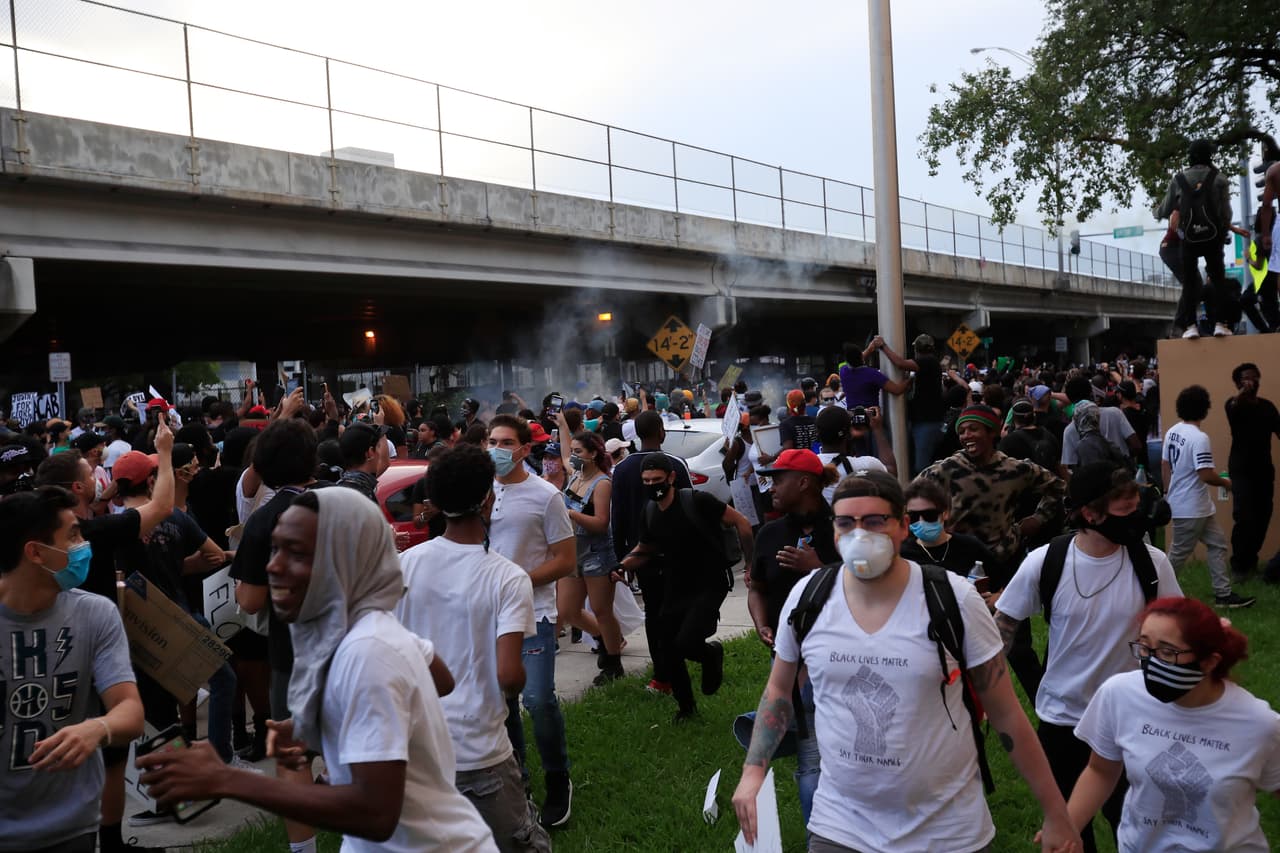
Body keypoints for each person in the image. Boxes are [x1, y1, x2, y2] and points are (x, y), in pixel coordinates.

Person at [731, 470, 1079, 853]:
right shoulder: (808, 597)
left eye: (875, 521)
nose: (859, 534)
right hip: (841, 827)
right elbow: (781, 688)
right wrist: (753, 771)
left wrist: (1056, 811)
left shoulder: (953, 600)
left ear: (903, 527)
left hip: (946, 832)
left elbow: (1007, 714)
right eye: (846, 522)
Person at [137, 488, 498, 852]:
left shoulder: (368, 651)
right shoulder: (364, 626)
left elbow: (376, 813)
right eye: (275, 548)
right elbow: (441, 678)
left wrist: (225, 779)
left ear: (347, 561)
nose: (272, 566)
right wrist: (329, 720)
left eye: (297, 553)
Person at [994, 462, 1183, 853]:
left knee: (1133, 824)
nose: (1136, 519)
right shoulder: (1046, 562)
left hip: (1133, 721)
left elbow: (1181, 633)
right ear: (1090, 514)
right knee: (1068, 830)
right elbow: (1004, 626)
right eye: (1126, 511)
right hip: (1062, 720)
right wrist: (983, 690)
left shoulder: (1152, 564)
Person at [396, 446, 550, 853]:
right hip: (481, 754)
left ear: (434, 503)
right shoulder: (508, 578)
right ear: (488, 499)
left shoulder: (405, 565)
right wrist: (519, 674)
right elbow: (508, 676)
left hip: (418, 753)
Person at [1067, 597, 1280, 851]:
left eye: (1168, 652)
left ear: (1209, 662)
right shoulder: (1120, 695)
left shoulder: (1259, 724)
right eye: (1145, 647)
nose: (1152, 662)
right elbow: (1100, 770)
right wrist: (1067, 828)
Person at [0, 486, 145, 853]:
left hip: (71, 826)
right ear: (35, 552)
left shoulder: (95, 614)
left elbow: (130, 712)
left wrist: (98, 728)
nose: (84, 546)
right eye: (73, 536)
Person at [919, 404, 1061, 698]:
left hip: (1004, 562)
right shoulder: (945, 470)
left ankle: (1046, 709)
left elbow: (1058, 488)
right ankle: (955, 704)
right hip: (958, 566)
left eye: (973, 429)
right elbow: (912, 500)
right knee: (953, 641)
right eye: (961, 430)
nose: (966, 435)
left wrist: (1038, 519)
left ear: (993, 432)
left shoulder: (1015, 469)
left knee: (1019, 648)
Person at [485, 414, 576, 828]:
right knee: (502, 704)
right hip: (489, 616)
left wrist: (517, 581)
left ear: (524, 448)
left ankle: (559, 779)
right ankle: (517, 780)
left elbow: (565, 560)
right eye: (491, 440)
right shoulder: (481, 493)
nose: (496, 449)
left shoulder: (546, 496)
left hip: (533, 612)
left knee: (538, 699)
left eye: (505, 442)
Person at [617, 453, 752, 721]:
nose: (652, 484)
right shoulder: (651, 511)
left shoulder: (697, 501)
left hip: (709, 582)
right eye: (646, 481)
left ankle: (711, 654)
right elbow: (647, 547)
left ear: (671, 478)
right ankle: (686, 708)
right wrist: (624, 565)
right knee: (668, 648)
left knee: (687, 641)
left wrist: (751, 566)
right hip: (675, 584)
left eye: (657, 479)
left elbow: (742, 523)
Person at [745, 448, 839, 824]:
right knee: (810, 756)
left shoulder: (844, 529)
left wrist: (818, 568)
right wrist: (761, 621)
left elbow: (869, 591)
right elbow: (757, 588)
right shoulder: (770, 534)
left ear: (803, 482)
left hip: (842, 662)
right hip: (790, 662)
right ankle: (821, 839)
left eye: (778, 479)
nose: (770, 488)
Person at [609, 410, 692, 696]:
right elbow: (691, 509)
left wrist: (621, 559)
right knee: (676, 611)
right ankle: (674, 667)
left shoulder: (620, 470)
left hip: (640, 556)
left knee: (654, 613)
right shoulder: (675, 465)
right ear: (661, 432)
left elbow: (616, 518)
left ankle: (662, 675)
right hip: (677, 555)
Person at [1161, 385, 1254, 608]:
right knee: (1176, 556)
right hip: (1191, 507)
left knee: (1217, 545)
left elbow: (1165, 464)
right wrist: (1226, 483)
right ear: (1205, 409)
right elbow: (1205, 474)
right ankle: (1154, 591)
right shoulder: (1199, 437)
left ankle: (1223, 594)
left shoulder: (1173, 431)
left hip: (1195, 506)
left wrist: (1167, 492)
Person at [554, 428, 624, 684]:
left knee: (601, 610)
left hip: (597, 554)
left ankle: (613, 663)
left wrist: (571, 514)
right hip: (572, 553)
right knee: (567, 610)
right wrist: (561, 423)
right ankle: (605, 642)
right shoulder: (575, 477)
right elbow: (563, 456)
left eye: (578, 452)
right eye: (572, 451)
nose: (572, 456)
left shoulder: (602, 483)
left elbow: (601, 523)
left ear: (593, 454)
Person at [1154, 138, 1239, 339]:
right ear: (1210, 156)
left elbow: (1165, 210)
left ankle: (1190, 326)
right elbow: (1226, 212)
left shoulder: (1178, 180)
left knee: (1191, 281)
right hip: (1213, 237)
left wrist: (1156, 211)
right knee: (1218, 279)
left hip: (1189, 239)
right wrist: (1223, 230)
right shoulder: (1219, 178)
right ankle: (1220, 323)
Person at [1224, 363, 1279, 582]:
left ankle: (1251, 561)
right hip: (1242, 471)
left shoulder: (1267, 407)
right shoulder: (1233, 405)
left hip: (1264, 470)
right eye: (1247, 378)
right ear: (1238, 382)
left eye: (1255, 377)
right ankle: (1239, 566)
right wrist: (1242, 394)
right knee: (1244, 518)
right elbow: (1235, 406)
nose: (1252, 381)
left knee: (1263, 517)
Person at [870, 333, 946, 474]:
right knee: (916, 464)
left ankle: (927, 493)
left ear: (917, 349)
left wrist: (883, 346)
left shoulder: (927, 361)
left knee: (921, 467)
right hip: (924, 421)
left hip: (927, 422)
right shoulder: (930, 363)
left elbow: (900, 364)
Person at [899, 478, 995, 576]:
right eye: (913, 516)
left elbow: (1001, 586)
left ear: (945, 514)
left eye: (929, 515)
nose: (921, 521)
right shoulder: (902, 554)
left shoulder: (971, 548)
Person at [814, 406, 889, 505]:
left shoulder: (811, 465)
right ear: (848, 434)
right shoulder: (866, 465)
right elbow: (891, 472)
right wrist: (877, 429)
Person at [838, 340, 907, 410]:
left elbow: (855, 360)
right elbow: (897, 390)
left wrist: (869, 349)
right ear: (861, 357)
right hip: (871, 417)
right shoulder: (872, 374)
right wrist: (911, 377)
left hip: (852, 416)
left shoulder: (843, 371)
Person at [337, 422, 387, 502]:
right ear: (370, 453)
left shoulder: (338, 486)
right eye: (378, 447)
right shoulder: (363, 496)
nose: (380, 453)